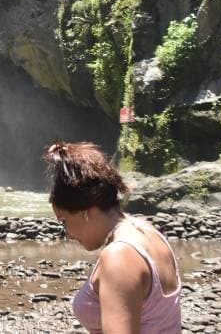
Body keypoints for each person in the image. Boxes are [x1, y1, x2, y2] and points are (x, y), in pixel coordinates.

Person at [44, 141, 181, 333]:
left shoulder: (119, 256)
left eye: (64, 221)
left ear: (85, 211)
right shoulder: (148, 232)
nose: (68, 234)